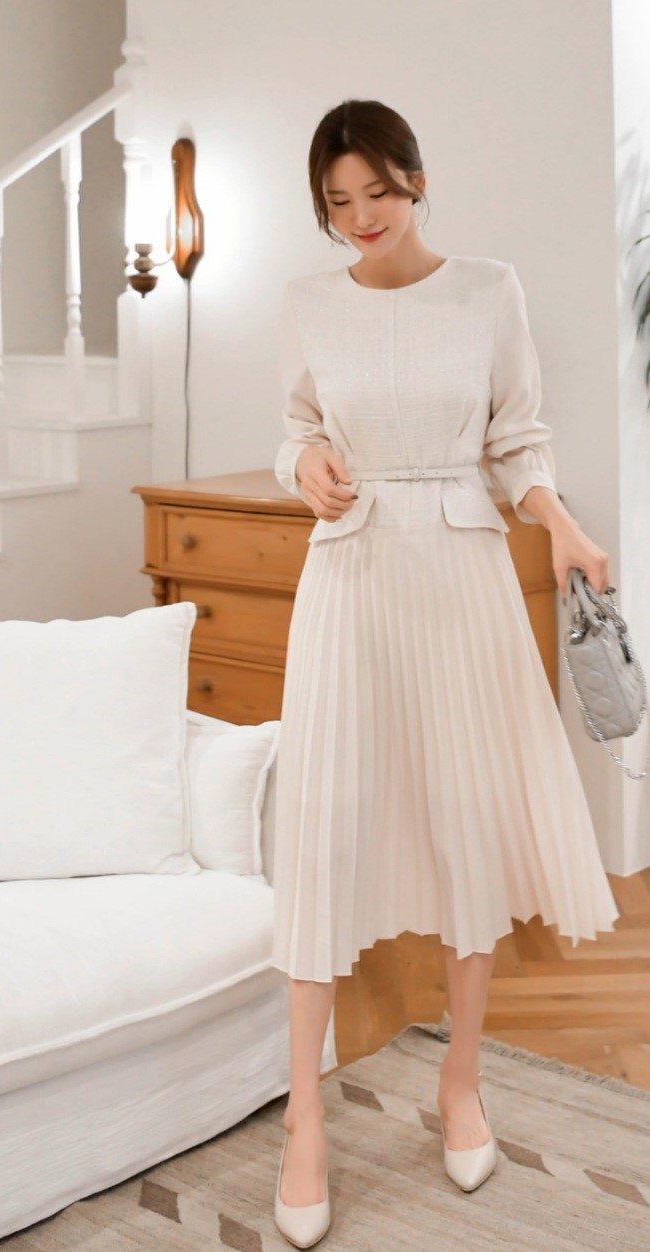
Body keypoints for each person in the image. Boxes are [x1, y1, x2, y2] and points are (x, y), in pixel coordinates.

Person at [270, 98, 620, 1248]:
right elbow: (293, 428)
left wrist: (559, 524)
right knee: (321, 832)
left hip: (461, 575)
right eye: (337, 201)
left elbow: (516, 441)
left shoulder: (486, 291)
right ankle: (304, 1116)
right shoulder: (307, 302)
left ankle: (459, 1079)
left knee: (466, 822)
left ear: (414, 181)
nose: (359, 216)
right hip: (351, 573)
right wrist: (303, 462)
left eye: (376, 191)